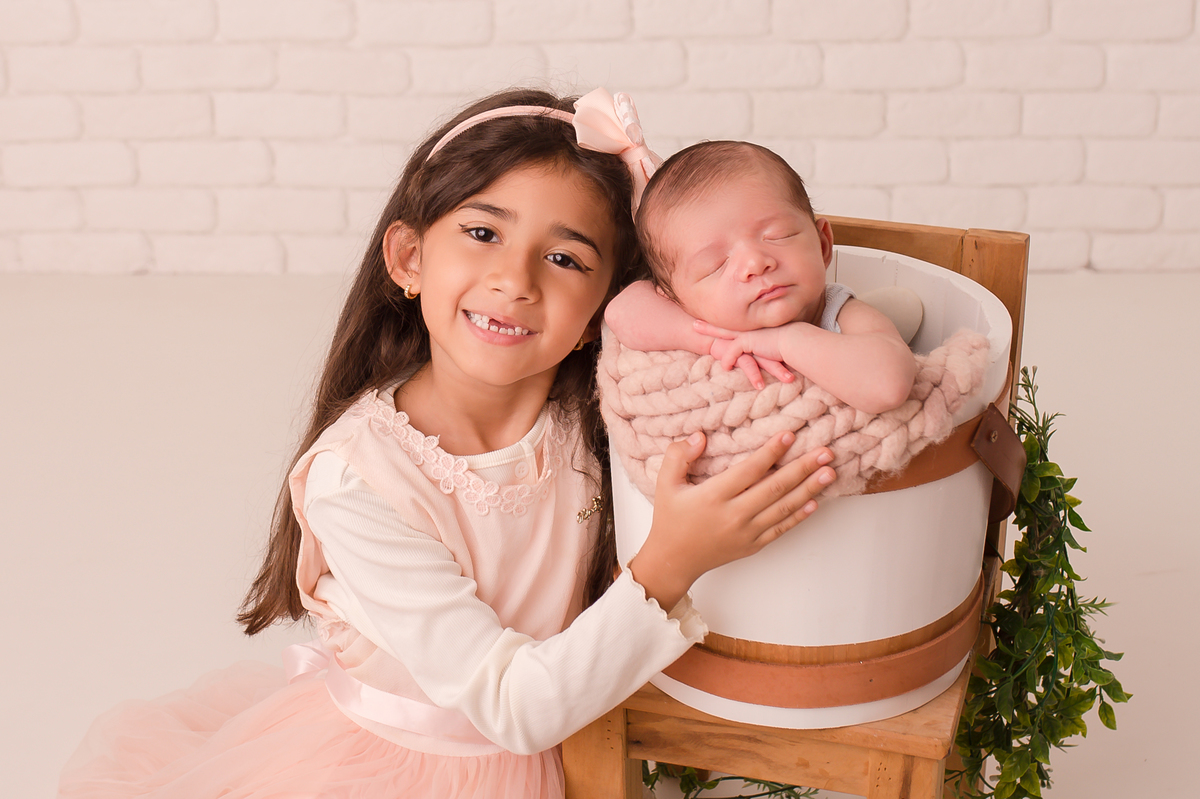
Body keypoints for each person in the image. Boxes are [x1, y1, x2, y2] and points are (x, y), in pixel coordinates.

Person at [58, 89, 836, 799]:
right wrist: (674, 558)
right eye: (482, 232)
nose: (515, 279)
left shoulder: (598, 414)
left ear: (606, 308)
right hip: (411, 770)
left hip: (579, 728)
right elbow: (513, 706)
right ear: (409, 258)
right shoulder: (357, 480)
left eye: (565, 258)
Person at [604, 140, 917, 414]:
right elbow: (620, 312)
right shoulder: (701, 320)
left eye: (777, 236)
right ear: (675, 298)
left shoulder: (839, 312)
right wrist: (713, 342)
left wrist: (785, 342)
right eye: (716, 265)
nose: (755, 263)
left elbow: (888, 385)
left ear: (822, 245)